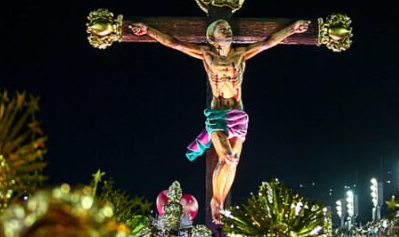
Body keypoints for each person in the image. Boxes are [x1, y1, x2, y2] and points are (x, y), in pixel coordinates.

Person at [130, 18, 310, 221]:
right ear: (212, 38)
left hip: (237, 113)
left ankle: (220, 201)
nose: (227, 30)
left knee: (234, 162)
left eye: (228, 28)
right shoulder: (207, 55)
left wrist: (293, 29)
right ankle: (216, 201)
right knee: (227, 157)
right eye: (222, 29)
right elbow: (174, 42)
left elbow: (269, 42)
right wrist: (148, 30)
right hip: (217, 113)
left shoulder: (241, 54)